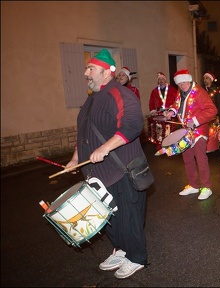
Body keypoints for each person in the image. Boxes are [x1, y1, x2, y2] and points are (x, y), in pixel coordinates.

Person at [66, 49, 149, 279]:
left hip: (120, 169)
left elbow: (133, 125)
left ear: (106, 72)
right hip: (97, 175)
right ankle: (122, 250)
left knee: (128, 216)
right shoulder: (91, 100)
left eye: (90, 69)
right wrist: (75, 158)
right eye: (87, 68)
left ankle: (137, 257)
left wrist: (105, 147)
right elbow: (84, 133)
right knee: (109, 218)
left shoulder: (120, 93)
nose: (85, 73)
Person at [164, 69, 217, 200]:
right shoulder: (181, 92)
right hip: (185, 133)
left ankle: (206, 187)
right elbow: (177, 105)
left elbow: (212, 110)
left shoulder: (199, 92)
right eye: (179, 84)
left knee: (200, 159)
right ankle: (193, 185)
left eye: (184, 83)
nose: (182, 86)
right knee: (187, 159)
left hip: (198, 132)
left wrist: (195, 120)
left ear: (189, 80)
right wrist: (171, 112)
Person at [148, 72, 177, 154]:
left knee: (169, 130)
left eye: (162, 79)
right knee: (159, 131)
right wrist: (153, 110)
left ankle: (170, 147)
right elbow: (151, 102)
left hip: (169, 113)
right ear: (158, 81)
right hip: (159, 114)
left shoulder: (172, 89)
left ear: (165, 80)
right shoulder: (154, 91)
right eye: (159, 79)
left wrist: (173, 110)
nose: (161, 81)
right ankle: (160, 147)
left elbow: (177, 100)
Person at [203, 71, 220, 152]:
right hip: (204, 116)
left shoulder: (216, 90)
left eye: (207, 78)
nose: (205, 80)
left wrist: (216, 114)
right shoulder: (202, 90)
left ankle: (214, 148)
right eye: (204, 78)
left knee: (214, 133)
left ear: (211, 80)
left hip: (214, 116)